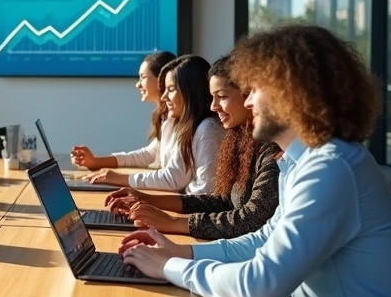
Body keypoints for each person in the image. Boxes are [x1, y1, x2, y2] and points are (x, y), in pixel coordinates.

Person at [118, 25, 391, 297]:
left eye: (253, 90)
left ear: (291, 92)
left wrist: (168, 268)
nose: (246, 102)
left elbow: (260, 286)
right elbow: (262, 240)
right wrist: (181, 254)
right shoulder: (304, 162)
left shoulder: (332, 168)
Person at [110, 55, 280, 240]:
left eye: (221, 97)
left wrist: (173, 223)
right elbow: (222, 200)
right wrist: (146, 199)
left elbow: (252, 219)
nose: (214, 106)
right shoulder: (241, 140)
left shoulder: (272, 150)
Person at [85, 55, 224, 195]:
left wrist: (122, 179)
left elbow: (191, 186)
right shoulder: (178, 123)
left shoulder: (207, 129)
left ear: (190, 91)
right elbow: (165, 167)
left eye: (170, 89)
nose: (163, 97)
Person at [70, 51, 176, 170]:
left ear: (162, 80)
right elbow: (150, 154)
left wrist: (117, 178)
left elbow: (170, 176)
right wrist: (95, 162)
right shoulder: (163, 117)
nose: (138, 85)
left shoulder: (176, 119)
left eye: (143, 77)